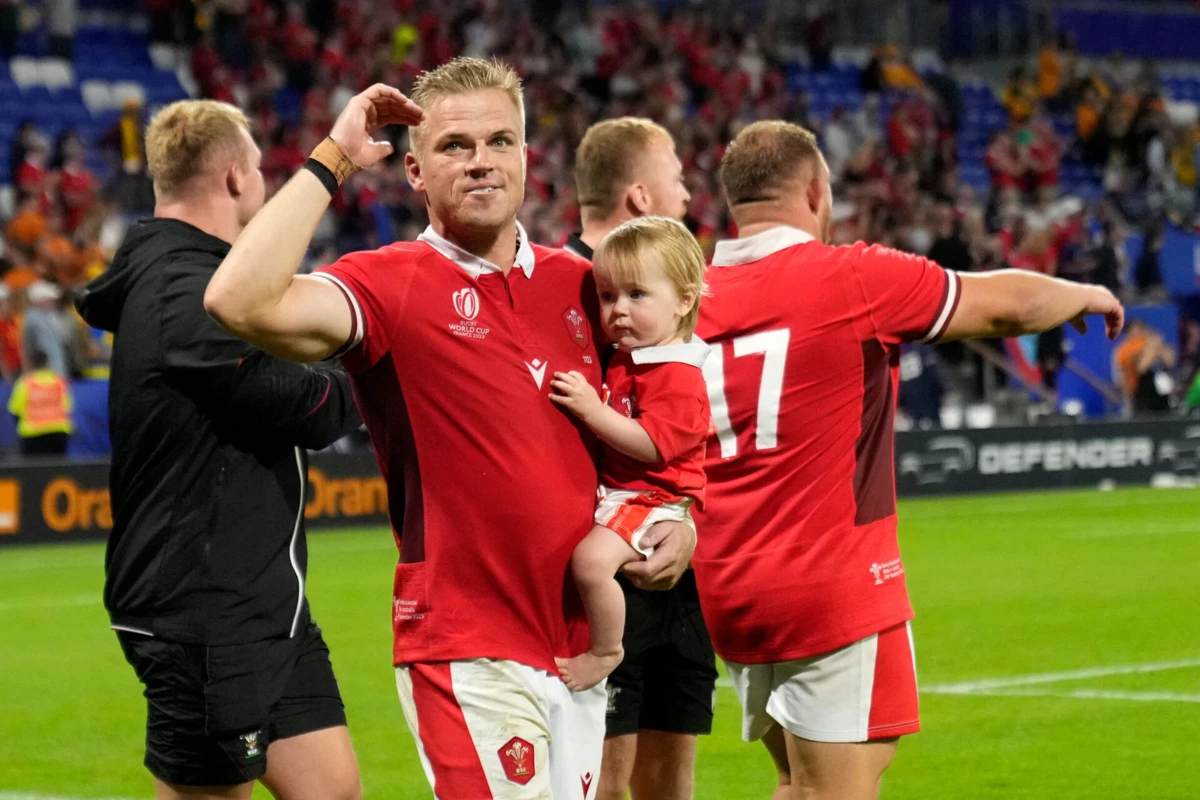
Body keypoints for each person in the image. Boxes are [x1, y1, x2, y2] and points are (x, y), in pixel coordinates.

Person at [204, 58, 696, 798]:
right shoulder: (388, 284)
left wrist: (679, 516)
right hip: (468, 645)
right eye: (454, 147)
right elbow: (237, 302)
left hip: (576, 646)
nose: (481, 162)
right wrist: (334, 155)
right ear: (413, 169)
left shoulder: (584, 286)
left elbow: (654, 422)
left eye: (500, 141)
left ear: (528, 156)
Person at [692, 121, 1124, 800]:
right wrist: (1085, 294)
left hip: (730, 588)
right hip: (830, 586)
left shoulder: (692, 295)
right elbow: (1006, 309)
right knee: (836, 790)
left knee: (794, 780)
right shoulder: (849, 277)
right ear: (815, 190)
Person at [75, 100, 364, 800]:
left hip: (264, 603)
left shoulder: (185, 276)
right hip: (204, 608)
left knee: (333, 790)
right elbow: (293, 401)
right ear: (236, 179)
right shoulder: (183, 287)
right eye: (261, 169)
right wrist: (363, 383)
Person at [567, 117, 717, 800]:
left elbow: (687, 437)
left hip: (668, 561)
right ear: (639, 195)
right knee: (603, 777)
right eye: (678, 177)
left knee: (668, 775)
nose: (688, 194)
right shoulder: (559, 292)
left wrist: (686, 514)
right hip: (599, 566)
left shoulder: (672, 317)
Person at [550, 216, 710, 693]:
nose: (618, 310)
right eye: (607, 296)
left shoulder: (678, 374)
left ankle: (605, 651)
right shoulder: (635, 355)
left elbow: (652, 444)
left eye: (637, 295)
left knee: (591, 564)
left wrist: (590, 410)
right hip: (628, 493)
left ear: (684, 299)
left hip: (651, 498)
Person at [8, 348, 72, 456]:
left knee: (34, 471)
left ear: (31, 364)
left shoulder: (24, 383)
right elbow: (67, 407)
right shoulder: (59, 382)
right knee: (58, 469)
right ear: (47, 363)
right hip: (58, 432)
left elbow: (15, 410)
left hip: (32, 435)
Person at [22, 280, 70, 378]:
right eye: (49, 300)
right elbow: (28, 346)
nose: (52, 302)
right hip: (43, 369)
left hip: (59, 367)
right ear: (40, 300)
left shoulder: (53, 315)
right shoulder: (32, 318)